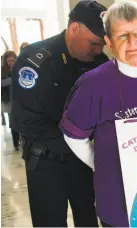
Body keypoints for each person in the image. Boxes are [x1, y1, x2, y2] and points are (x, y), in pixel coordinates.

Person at [60, 1, 137, 227]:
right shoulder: (94, 83)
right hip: (118, 197)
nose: (133, 42)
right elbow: (73, 134)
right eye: (122, 36)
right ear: (109, 42)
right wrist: (100, 163)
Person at [10, 1, 108, 226]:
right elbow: (27, 121)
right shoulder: (35, 61)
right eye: (93, 43)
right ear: (74, 28)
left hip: (83, 160)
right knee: (50, 222)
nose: (98, 50)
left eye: (102, 44)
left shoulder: (99, 63)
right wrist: (79, 144)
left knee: (88, 217)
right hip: (46, 161)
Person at [1, 50, 20, 149]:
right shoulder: (2, 70)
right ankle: (16, 144)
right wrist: (13, 79)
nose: (11, 63)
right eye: (9, 61)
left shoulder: (20, 68)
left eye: (13, 60)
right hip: (8, 101)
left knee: (21, 121)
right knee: (13, 123)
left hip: (20, 100)